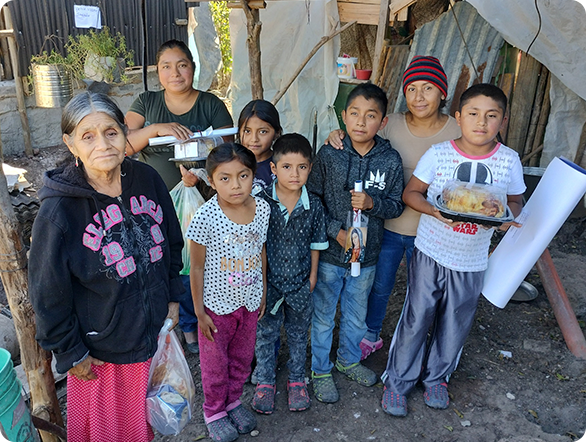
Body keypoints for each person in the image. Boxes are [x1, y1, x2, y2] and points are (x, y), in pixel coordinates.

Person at [28, 92, 185, 442]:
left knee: (146, 430)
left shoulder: (147, 180)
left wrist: (172, 297)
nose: (103, 144)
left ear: (125, 134)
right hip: (102, 359)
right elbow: (47, 293)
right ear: (71, 144)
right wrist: (71, 352)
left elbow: (172, 242)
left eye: (111, 132)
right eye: (88, 136)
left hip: (152, 340)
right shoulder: (59, 213)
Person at [380, 83, 525, 417]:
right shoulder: (440, 154)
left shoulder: (508, 160)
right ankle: (398, 383)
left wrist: (505, 219)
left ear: (502, 121)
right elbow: (411, 194)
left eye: (491, 116)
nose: (481, 122)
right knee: (417, 317)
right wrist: (435, 211)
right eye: (473, 113)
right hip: (431, 251)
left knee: (455, 321)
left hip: (472, 259)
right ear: (458, 117)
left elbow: (515, 201)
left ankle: (436, 378)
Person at [327, 56, 462, 359]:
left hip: (431, 230)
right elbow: (361, 141)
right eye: (412, 89)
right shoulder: (391, 125)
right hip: (387, 227)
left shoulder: (456, 130)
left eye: (428, 88)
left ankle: (420, 341)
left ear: (442, 92)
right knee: (380, 286)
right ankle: (371, 334)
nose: (419, 96)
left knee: (424, 292)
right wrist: (336, 134)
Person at [126, 39, 233, 354]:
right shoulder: (146, 103)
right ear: (158, 71)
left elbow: (227, 151)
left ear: (193, 68)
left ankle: (194, 325)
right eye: (166, 66)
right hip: (151, 205)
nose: (175, 73)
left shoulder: (210, 104)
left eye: (182, 65)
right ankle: (166, 325)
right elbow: (125, 143)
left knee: (194, 264)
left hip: (200, 201)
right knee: (158, 262)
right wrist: (156, 129)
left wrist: (201, 175)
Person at [307, 83, 404, 403]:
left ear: (383, 121)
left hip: (368, 255)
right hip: (332, 255)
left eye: (371, 115)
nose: (361, 122)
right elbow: (313, 198)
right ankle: (320, 369)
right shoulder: (329, 153)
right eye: (355, 114)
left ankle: (348, 360)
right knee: (323, 314)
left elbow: (397, 205)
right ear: (344, 117)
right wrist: (336, 231)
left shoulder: (390, 160)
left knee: (355, 315)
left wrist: (373, 204)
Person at [186, 143, 270, 442]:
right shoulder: (204, 218)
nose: (235, 185)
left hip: (248, 302)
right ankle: (214, 411)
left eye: (243, 176)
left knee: (242, 358)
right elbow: (195, 269)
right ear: (211, 181)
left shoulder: (262, 208)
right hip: (215, 307)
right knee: (214, 363)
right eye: (225, 178)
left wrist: (262, 291)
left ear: (253, 175)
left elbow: (260, 251)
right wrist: (199, 312)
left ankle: (233, 401)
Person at [251, 134, 328, 415]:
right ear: (273, 168)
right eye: (286, 167)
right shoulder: (260, 203)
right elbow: (256, 245)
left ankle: (297, 380)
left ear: (310, 167)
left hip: (299, 284)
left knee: (297, 335)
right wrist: (259, 284)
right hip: (269, 285)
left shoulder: (314, 206)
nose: (294, 174)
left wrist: (312, 278)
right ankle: (265, 381)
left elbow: (316, 243)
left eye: (302, 167)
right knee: (266, 335)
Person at [237, 99, 283, 194]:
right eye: (247, 131)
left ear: (277, 133)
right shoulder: (232, 164)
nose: (254, 139)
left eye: (263, 132)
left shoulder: (283, 165)